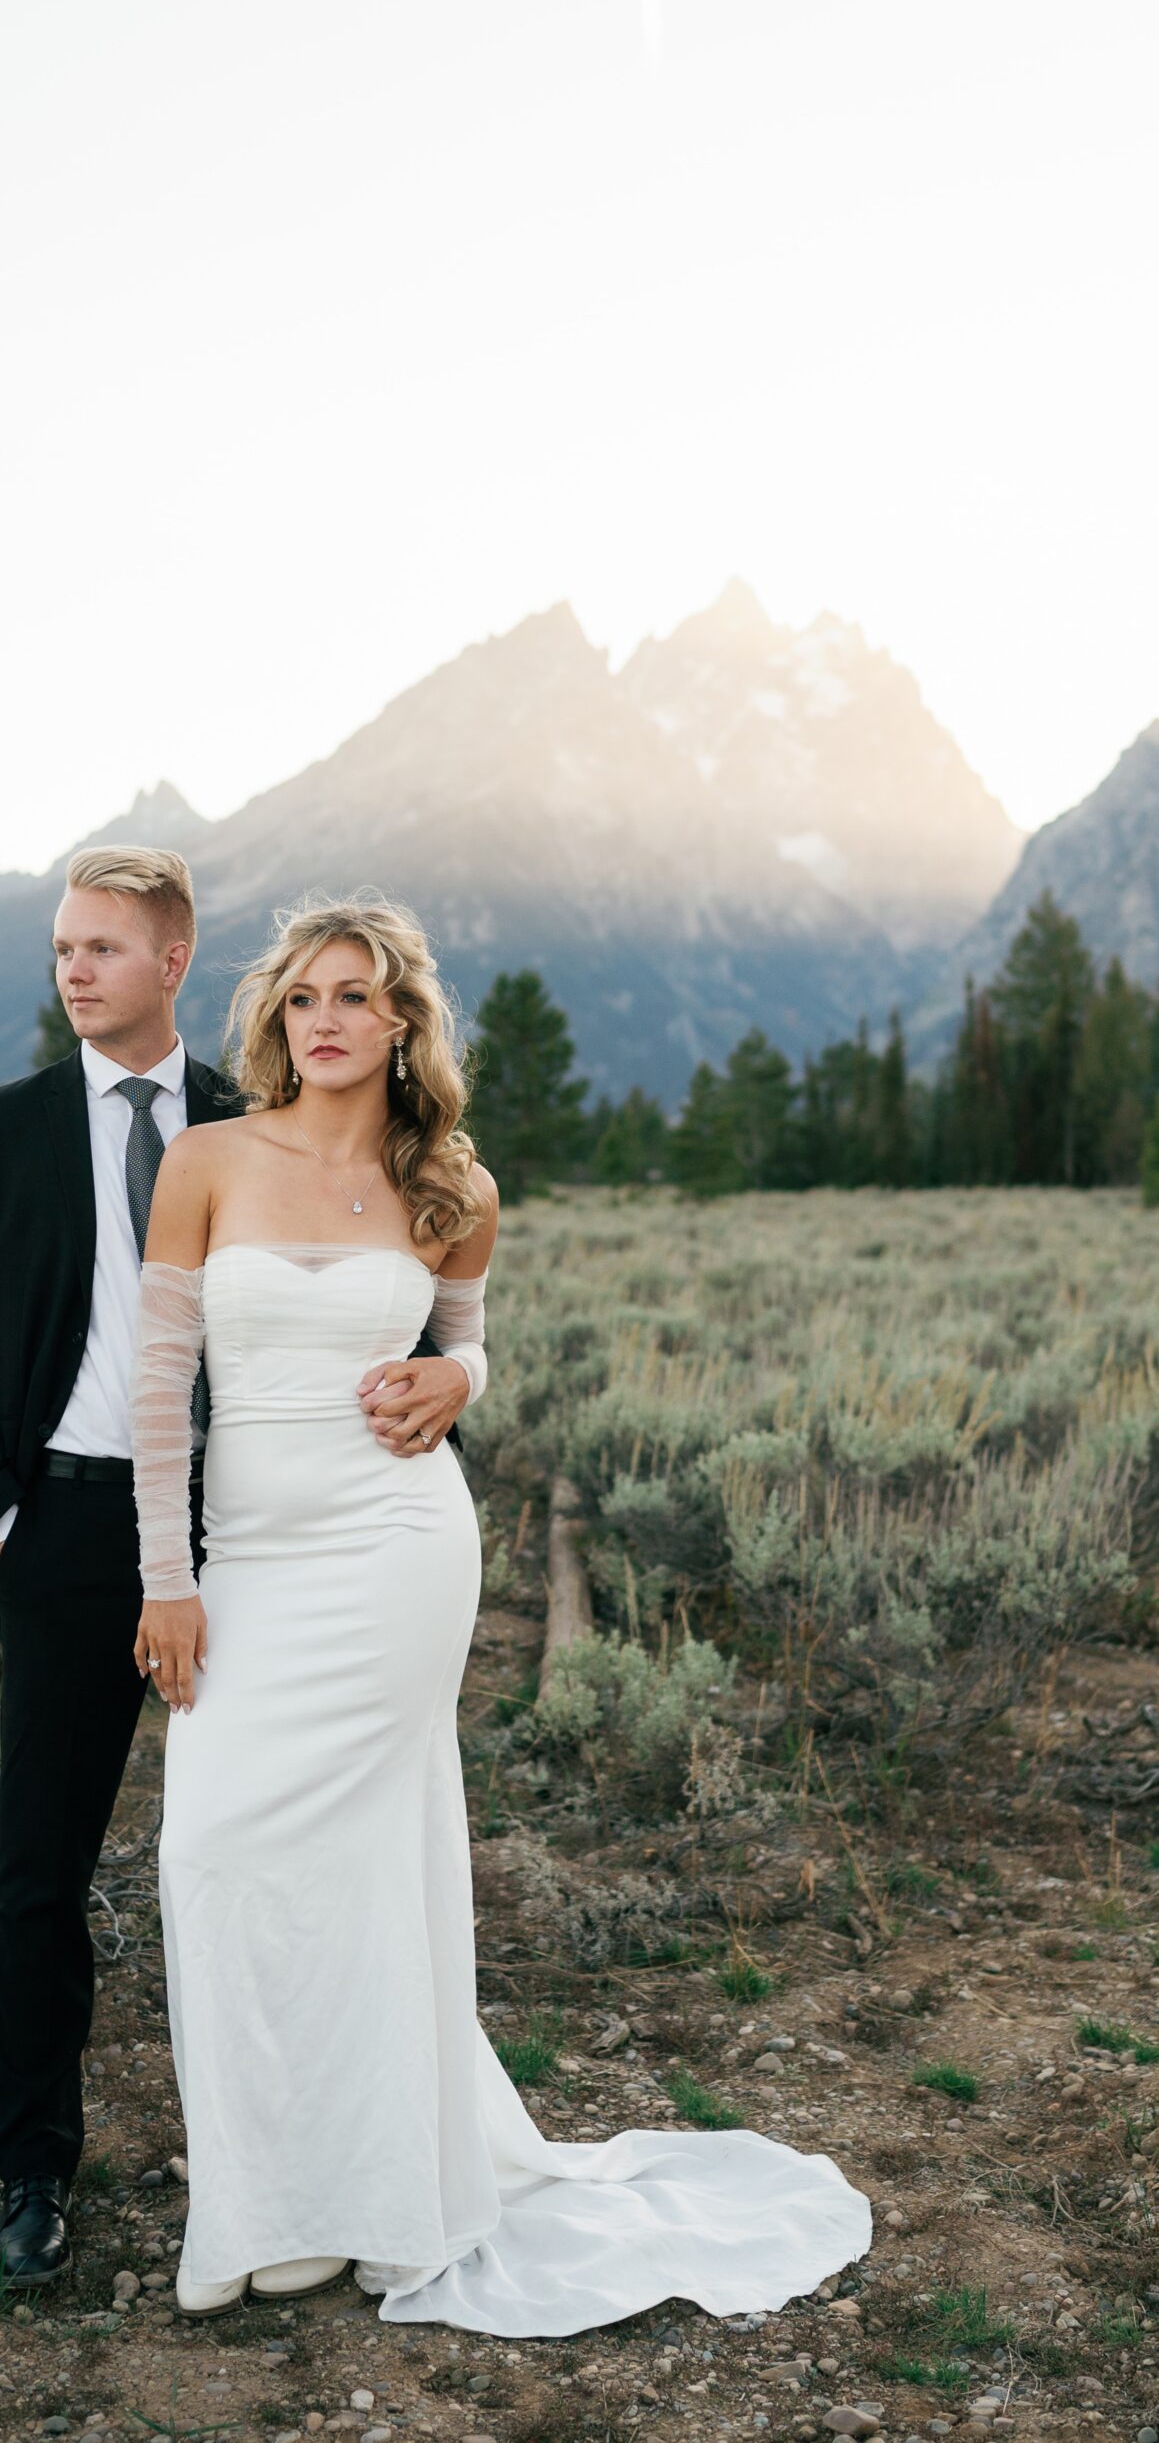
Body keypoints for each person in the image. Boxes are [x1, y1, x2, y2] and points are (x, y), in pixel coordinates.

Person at [128, 889, 874, 2334]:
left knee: (367, 1863)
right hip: (251, 1559)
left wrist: (462, 1382)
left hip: (398, 1549)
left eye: (355, 997)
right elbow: (163, 1384)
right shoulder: (208, 1160)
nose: (326, 1021)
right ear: (278, 1019)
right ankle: (268, 2209)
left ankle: (379, 2198)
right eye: (303, 999)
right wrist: (170, 1574)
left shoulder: (450, 1188)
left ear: (402, 1023)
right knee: (213, 1847)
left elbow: (468, 1344)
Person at [0, 848, 475, 2289]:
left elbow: (428, 1310)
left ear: (174, 961)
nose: (73, 970)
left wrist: (464, 1372)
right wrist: (7, 1528)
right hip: (80, 1534)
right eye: (59, 948)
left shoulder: (266, 1117)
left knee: (303, 1858)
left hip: (286, 1539)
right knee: (48, 1864)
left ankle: (335, 2167)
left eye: (102, 946)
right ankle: (35, 2173)